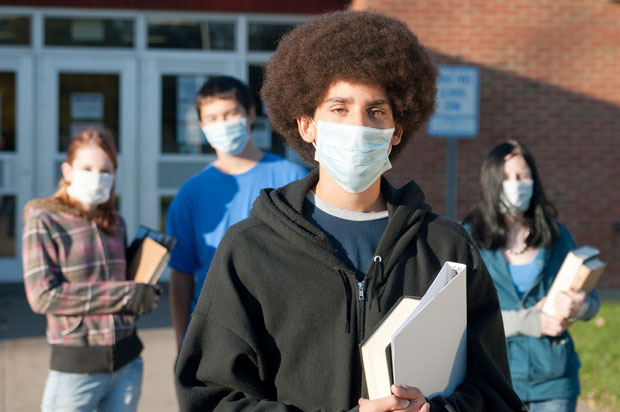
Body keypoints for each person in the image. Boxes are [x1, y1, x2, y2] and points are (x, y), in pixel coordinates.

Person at [174, 10, 525, 412]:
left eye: (376, 111)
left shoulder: (448, 248)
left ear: (396, 130)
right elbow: (211, 398)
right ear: (307, 125)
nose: (358, 126)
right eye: (339, 109)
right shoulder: (250, 250)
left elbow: (496, 395)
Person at [22, 128, 161, 412]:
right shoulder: (44, 220)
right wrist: (125, 293)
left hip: (128, 363)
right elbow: (43, 296)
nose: (97, 177)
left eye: (105, 170)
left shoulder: (115, 222)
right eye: (87, 168)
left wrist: (143, 295)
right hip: (76, 369)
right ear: (68, 170)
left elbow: (125, 286)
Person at [166, 75, 308, 350]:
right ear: (201, 125)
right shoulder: (190, 194)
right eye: (213, 118)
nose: (223, 124)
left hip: (281, 328)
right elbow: (181, 275)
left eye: (231, 114)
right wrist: (182, 344)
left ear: (251, 114)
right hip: (215, 331)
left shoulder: (291, 179)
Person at [463, 140, 600, 412]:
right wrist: (531, 321)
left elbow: (592, 303)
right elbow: (463, 316)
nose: (515, 184)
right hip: (494, 378)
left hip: (554, 382)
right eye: (505, 177)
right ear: (491, 182)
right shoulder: (468, 239)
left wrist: (579, 305)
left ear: (533, 179)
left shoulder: (556, 235)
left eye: (522, 175)